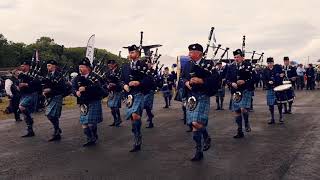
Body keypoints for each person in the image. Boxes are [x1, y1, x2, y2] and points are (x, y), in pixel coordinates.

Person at [181, 43, 218, 161]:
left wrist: (201, 80)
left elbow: (216, 80)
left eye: (191, 52)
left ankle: (206, 137)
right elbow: (182, 77)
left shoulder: (208, 64)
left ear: (199, 53)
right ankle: (199, 151)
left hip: (202, 95)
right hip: (191, 96)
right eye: (189, 52)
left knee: (196, 122)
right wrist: (186, 82)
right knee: (193, 125)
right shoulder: (187, 64)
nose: (189, 54)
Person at [121, 45, 154, 152]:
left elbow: (150, 80)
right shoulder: (125, 66)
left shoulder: (144, 65)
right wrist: (124, 85)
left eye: (133, 52)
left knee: (135, 115)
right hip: (129, 95)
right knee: (133, 117)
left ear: (138, 54)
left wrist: (139, 82)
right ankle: (136, 131)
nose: (131, 54)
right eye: (130, 52)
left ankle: (137, 137)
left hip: (139, 93)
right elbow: (121, 80)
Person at [72, 58, 104, 147]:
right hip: (83, 102)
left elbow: (98, 88)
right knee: (84, 123)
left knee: (91, 123)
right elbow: (73, 88)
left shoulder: (95, 77)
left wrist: (86, 88)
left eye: (82, 67)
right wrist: (76, 92)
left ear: (88, 68)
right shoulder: (77, 78)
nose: (80, 69)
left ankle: (94, 134)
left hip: (93, 100)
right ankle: (90, 138)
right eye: (79, 67)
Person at [225, 49, 254, 139]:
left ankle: (246, 122)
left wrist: (244, 81)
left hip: (245, 90)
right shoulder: (231, 67)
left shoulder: (248, 66)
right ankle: (239, 131)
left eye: (238, 57)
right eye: (235, 57)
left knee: (243, 109)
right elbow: (226, 79)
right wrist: (231, 83)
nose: (236, 59)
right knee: (237, 111)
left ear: (242, 57)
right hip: (235, 92)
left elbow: (255, 78)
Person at [42, 60, 65, 141]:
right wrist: (44, 91)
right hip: (49, 97)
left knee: (50, 114)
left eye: (49, 65)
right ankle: (57, 130)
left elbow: (62, 88)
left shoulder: (60, 75)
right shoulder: (47, 74)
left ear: (54, 66)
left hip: (57, 96)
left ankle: (56, 131)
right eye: (47, 65)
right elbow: (45, 85)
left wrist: (50, 90)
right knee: (51, 115)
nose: (48, 67)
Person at [18, 60, 41, 137]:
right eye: (21, 66)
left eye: (23, 66)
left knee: (22, 106)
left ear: (28, 66)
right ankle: (30, 130)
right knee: (24, 114)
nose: (22, 67)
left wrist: (26, 84)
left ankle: (30, 119)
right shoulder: (21, 75)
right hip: (23, 94)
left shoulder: (33, 74)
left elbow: (37, 83)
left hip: (31, 94)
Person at [263, 57, 284, 124]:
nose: (270, 64)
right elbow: (264, 79)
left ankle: (281, 117)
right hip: (270, 88)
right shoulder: (265, 70)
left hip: (278, 87)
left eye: (271, 63)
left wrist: (282, 75)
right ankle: (272, 118)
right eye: (268, 63)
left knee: (279, 103)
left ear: (273, 62)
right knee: (270, 104)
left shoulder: (278, 67)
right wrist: (268, 82)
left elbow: (282, 74)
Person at [105, 60, 122, 127]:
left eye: (110, 65)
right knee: (111, 107)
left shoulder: (119, 71)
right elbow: (106, 80)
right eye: (108, 65)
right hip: (111, 91)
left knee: (115, 106)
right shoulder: (108, 72)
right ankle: (115, 120)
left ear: (114, 64)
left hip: (117, 90)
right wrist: (107, 85)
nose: (109, 66)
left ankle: (119, 119)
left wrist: (115, 84)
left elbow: (121, 81)